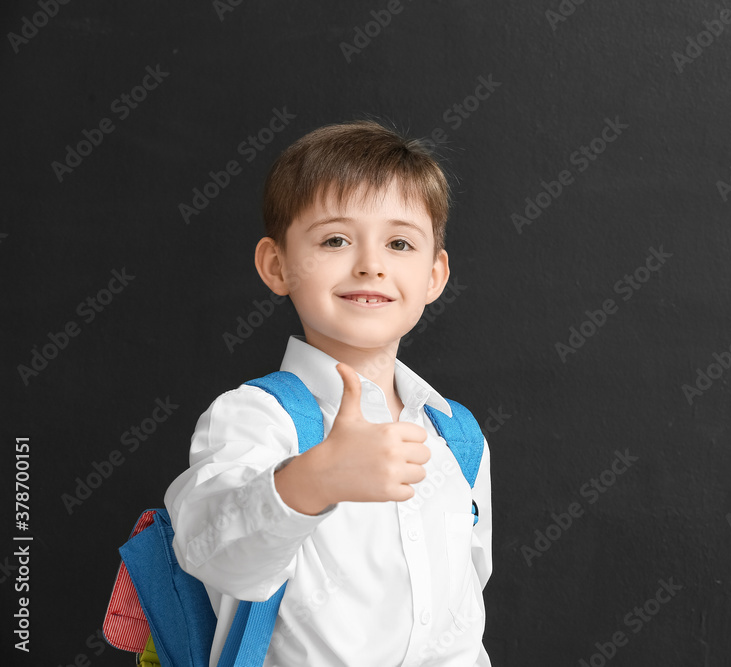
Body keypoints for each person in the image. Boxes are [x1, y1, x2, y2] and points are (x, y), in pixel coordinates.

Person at [164, 119, 492, 666]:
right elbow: (211, 553)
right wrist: (314, 480)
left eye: (400, 242)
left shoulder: (455, 435)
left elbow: (463, 618)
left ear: (434, 276)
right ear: (277, 265)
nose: (371, 263)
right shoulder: (256, 418)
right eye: (336, 239)